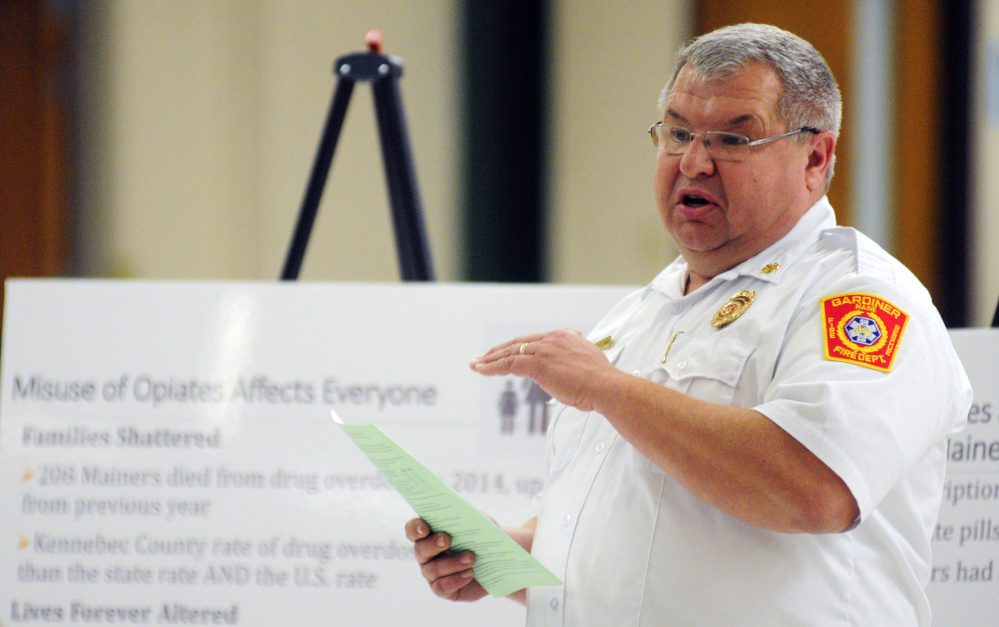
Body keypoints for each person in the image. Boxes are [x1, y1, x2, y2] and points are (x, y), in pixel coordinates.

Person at [405, 23, 972, 625]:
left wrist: (606, 388)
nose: (694, 162)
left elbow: (816, 487)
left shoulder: (859, 297)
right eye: (677, 133)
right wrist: (507, 557)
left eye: (732, 138)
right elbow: (643, 539)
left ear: (815, 157)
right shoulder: (639, 314)